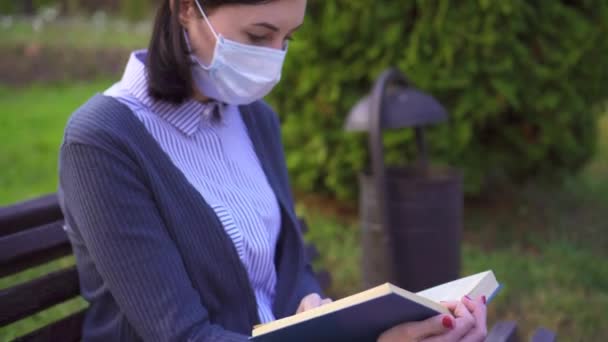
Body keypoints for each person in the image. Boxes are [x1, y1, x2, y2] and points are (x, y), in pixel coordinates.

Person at [57, 0, 487, 341]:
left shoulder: (255, 120)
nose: (274, 57)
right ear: (186, 7)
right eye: (258, 35)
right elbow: (182, 335)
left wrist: (310, 303)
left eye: (288, 38)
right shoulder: (102, 143)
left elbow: (290, 265)